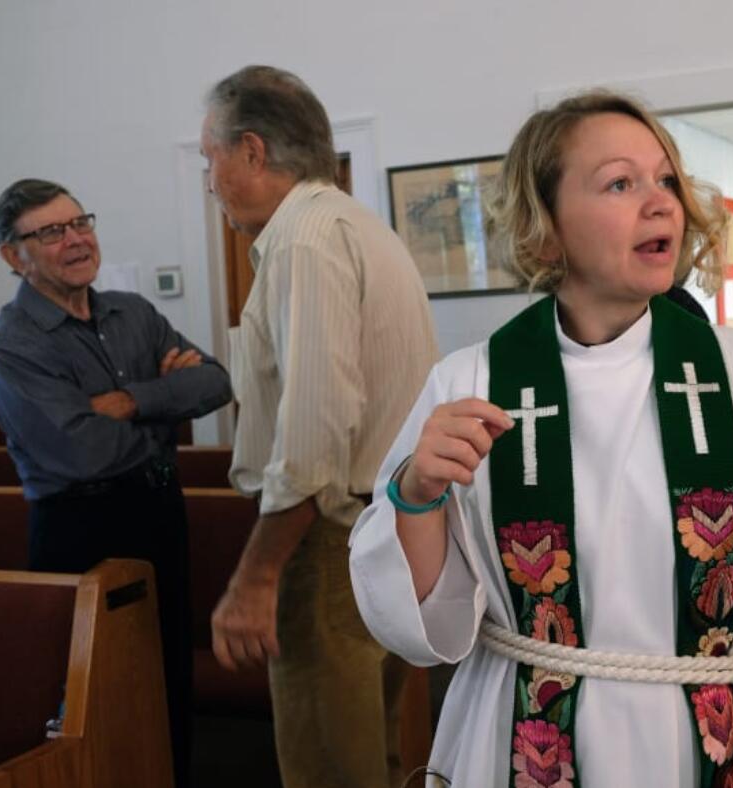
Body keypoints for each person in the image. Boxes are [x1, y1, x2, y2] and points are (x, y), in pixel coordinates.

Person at [349, 90, 733, 787]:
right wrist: (417, 493)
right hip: (524, 734)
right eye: (621, 182)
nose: (661, 203)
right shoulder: (471, 384)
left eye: (667, 180)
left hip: (704, 738)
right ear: (544, 228)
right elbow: (422, 625)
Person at [201, 65, 439, 787]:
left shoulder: (304, 241)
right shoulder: (357, 225)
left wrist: (255, 578)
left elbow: (311, 440)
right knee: (377, 754)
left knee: (328, 767)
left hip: (330, 538)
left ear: (250, 151)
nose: (210, 180)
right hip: (395, 527)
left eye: (211, 158)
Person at [0, 177, 232, 786]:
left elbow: (218, 382)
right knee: (96, 699)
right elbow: (81, 452)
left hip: (159, 512)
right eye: (51, 232)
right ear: (15, 256)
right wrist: (168, 407)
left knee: (170, 676)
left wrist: (129, 399)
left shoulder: (134, 313)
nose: (75, 240)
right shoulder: (11, 344)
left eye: (80, 223)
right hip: (79, 528)